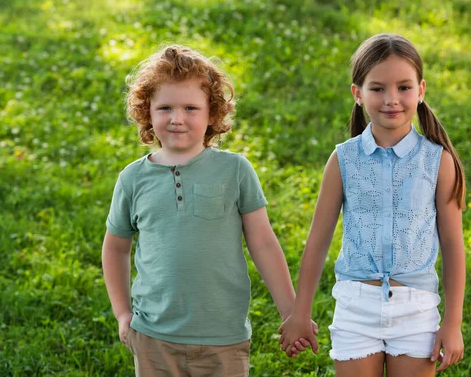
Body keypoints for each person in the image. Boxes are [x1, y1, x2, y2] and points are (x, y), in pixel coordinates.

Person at [101, 44, 315, 377]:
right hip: (154, 336)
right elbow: (115, 248)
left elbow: (262, 243)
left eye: (190, 107)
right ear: (147, 112)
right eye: (165, 108)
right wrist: (123, 315)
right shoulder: (133, 179)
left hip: (223, 337)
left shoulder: (235, 170)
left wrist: (290, 312)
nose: (177, 119)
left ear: (212, 113)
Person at [278, 33, 466, 376]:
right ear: (358, 93)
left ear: (421, 90)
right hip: (355, 308)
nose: (391, 99)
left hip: (417, 309)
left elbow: (453, 246)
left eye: (404, 87)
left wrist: (452, 324)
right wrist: (299, 313)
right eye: (377, 88)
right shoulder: (343, 159)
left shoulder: (438, 162)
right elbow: (317, 241)